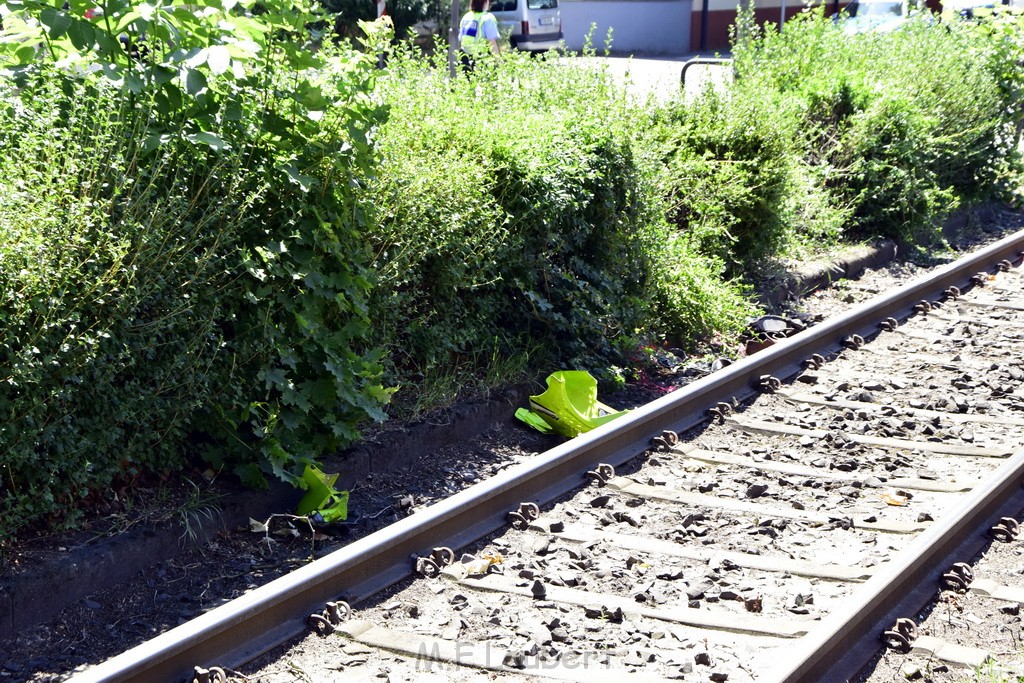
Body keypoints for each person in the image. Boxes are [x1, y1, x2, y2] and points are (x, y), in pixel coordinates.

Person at [458, 0, 500, 70]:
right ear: (485, 2)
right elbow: (492, 43)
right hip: (481, 57)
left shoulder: (466, 17)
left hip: (465, 56)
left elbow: (461, 39)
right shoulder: (487, 18)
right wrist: (498, 61)